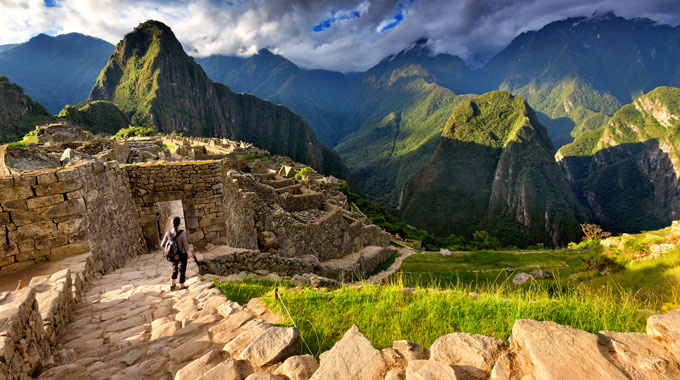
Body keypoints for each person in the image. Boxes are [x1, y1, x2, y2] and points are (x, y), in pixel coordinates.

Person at [161, 216, 191, 291]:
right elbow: (185, 245)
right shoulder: (182, 233)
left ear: (172, 223)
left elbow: (162, 244)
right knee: (182, 270)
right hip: (182, 254)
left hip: (172, 255)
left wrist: (169, 250)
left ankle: (172, 285)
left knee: (174, 269)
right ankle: (181, 286)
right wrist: (188, 253)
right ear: (179, 223)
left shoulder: (167, 233)